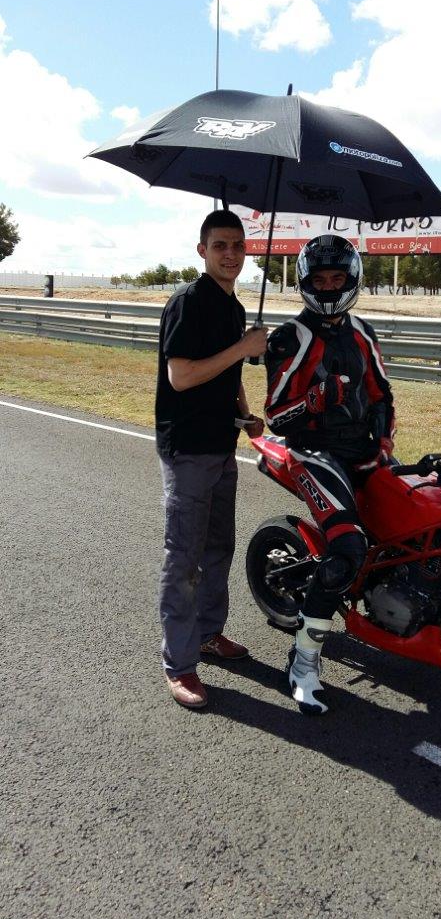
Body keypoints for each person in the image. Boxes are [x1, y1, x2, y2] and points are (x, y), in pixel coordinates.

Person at [264, 235, 395, 715]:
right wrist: (316, 400)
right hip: (313, 451)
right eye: (319, 279)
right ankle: (302, 663)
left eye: (337, 278)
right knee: (347, 549)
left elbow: (382, 396)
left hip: (362, 450)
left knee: (413, 525)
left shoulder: (363, 331)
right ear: (305, 282)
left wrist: (384, 442)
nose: (328, 287)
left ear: (352, 280)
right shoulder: (290, 338)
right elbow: (276, 415)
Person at [156, 209, 268, 709]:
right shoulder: (188, 302)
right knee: (183, 558)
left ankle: (207, 633)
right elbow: (181, 376)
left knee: (218, 547)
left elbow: (230, 374)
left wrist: (245, 414)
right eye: (220, 245)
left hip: (222, 445)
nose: (230, 254)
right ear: (202, 250)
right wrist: (243, 347)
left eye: (238, 245)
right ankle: (180, 665)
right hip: (188, 449)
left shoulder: (234, 307)